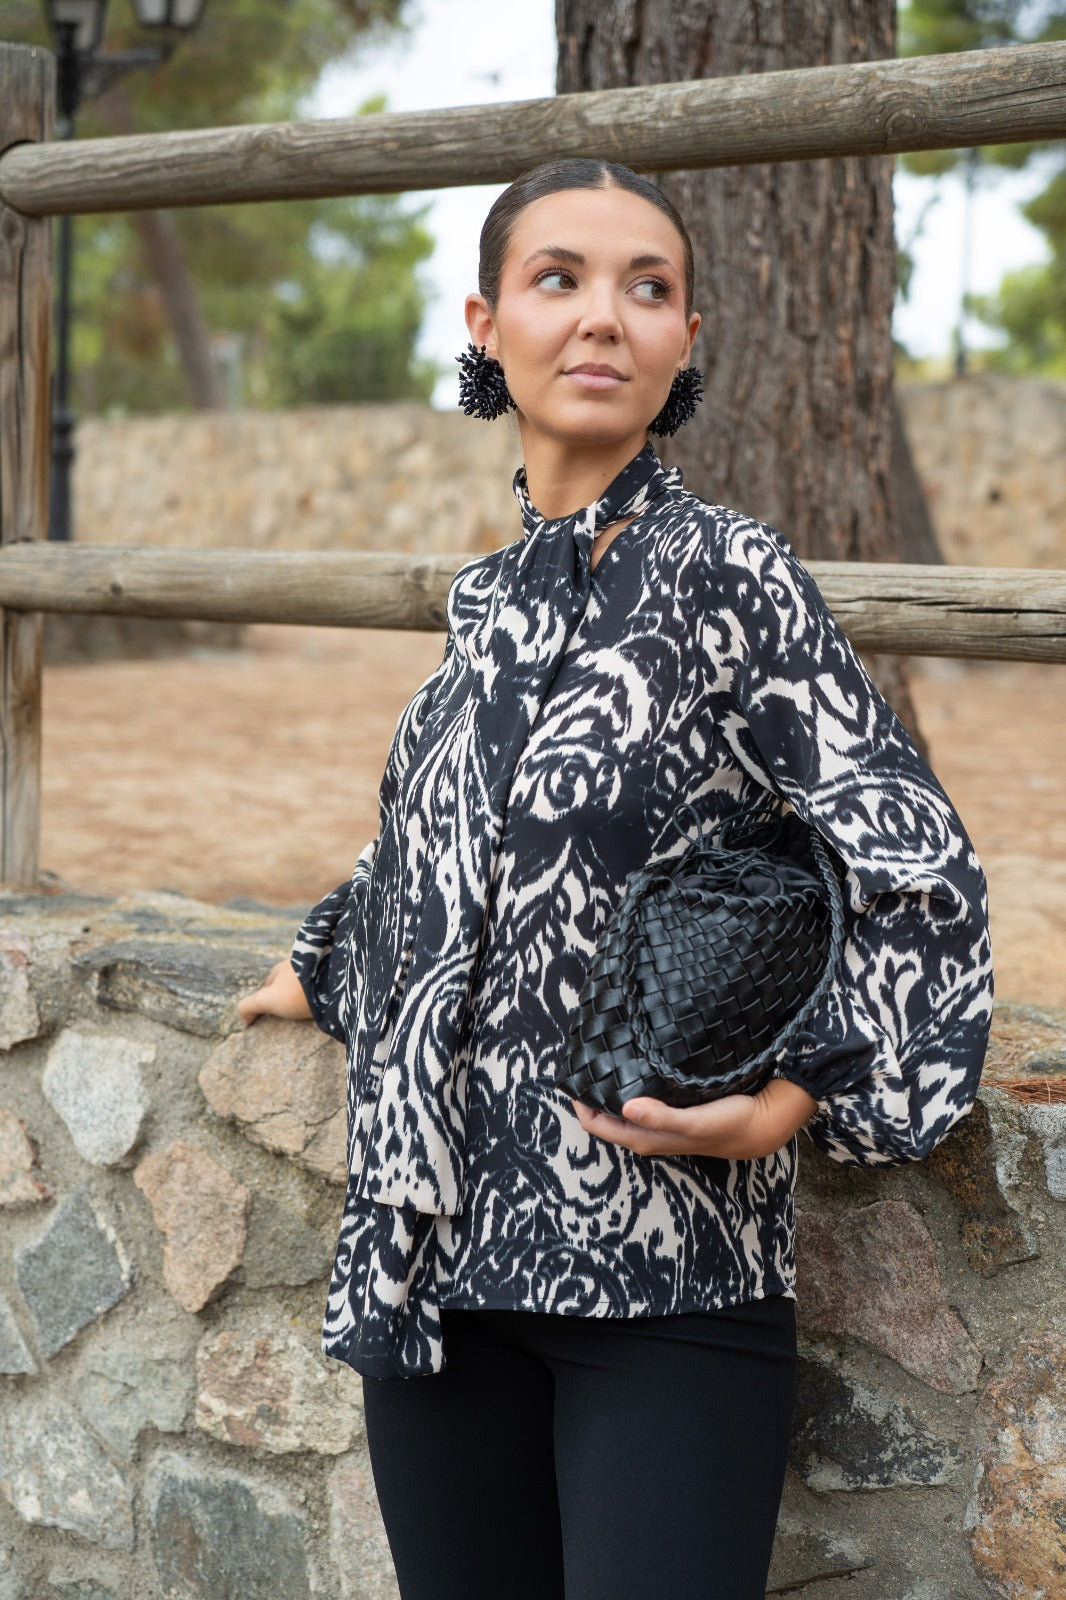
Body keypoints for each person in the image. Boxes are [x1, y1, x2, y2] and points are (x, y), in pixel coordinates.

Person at [238, 158, 994, 1600]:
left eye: (648, 289)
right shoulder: (485, 600)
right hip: (435, 1265)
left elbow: (919, 869)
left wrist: (797, 1097)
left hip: (662, 1276)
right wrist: (321, 961)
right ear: (485, 323)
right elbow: (440, 856)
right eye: (559, 279)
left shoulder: (733, 577)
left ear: (685, 341)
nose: (603, 316)